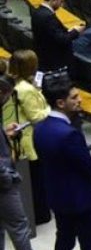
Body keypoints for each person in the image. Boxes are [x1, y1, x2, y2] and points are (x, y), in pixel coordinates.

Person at [32, 75, 91, 250]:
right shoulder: (69, 134)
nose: (79, 100)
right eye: (74, 97)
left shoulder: (40, 128)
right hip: (81, 200)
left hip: (57, 196)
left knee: (63, 244)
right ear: (61, 103)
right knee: (89, 248)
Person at [0, 74, 57, 250]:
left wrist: (5, 134)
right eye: (6, 95)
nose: (7, 100)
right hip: (3, 183)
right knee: (19, 227)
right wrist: (8, 177)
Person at [1, 50, 51, 225]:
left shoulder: (12, 83)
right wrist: (51, 110)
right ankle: (40, 215)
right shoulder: (26, 90)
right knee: (35, 181)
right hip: (28, 140)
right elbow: (37, 117)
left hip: (17, 138)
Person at [30, 0, 80, 71]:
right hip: (55, 62)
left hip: (44, 57)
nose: (62, 5)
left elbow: (53, 33)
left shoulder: (36, 12)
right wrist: (76, 31)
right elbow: (62, 39)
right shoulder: (48, 16)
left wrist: (68, 31)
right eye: (61, 1)